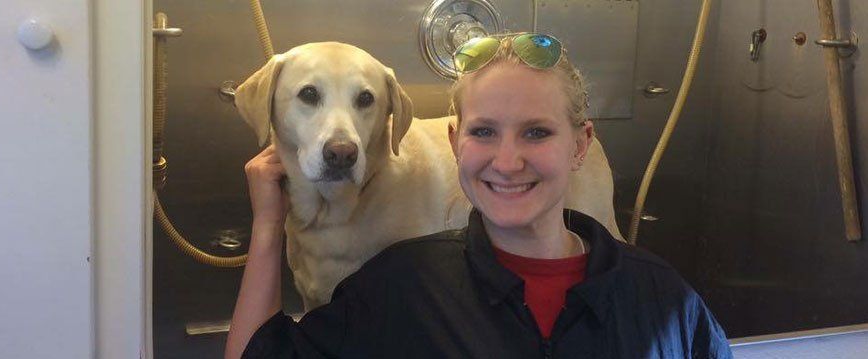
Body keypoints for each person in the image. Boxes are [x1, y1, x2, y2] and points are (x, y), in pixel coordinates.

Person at [224, 33, 732, 359]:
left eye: (536, 132)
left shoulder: (666, 300)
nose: (508, 162)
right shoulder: (406, 287)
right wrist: (267, 225)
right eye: (484, 132)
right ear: (454, 141)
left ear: (581, 146)